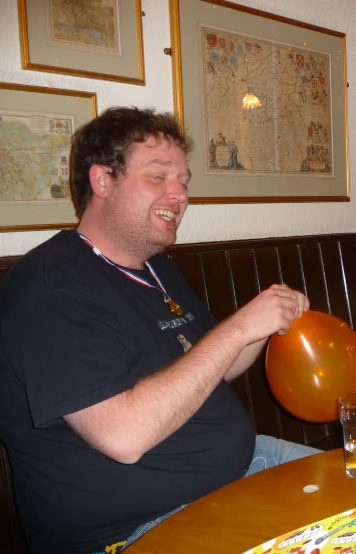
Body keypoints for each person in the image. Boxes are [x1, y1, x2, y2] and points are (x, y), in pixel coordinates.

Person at [0, 108, 319, 554]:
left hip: (239, 469)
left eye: (184, 180)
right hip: (134, 531)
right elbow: (123, 438)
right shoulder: (50, 288)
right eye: (158, 176)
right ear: (102, 181)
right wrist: (241, 326)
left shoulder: (158, 268)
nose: (180, 194)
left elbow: (215, 367)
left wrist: (265, 325)